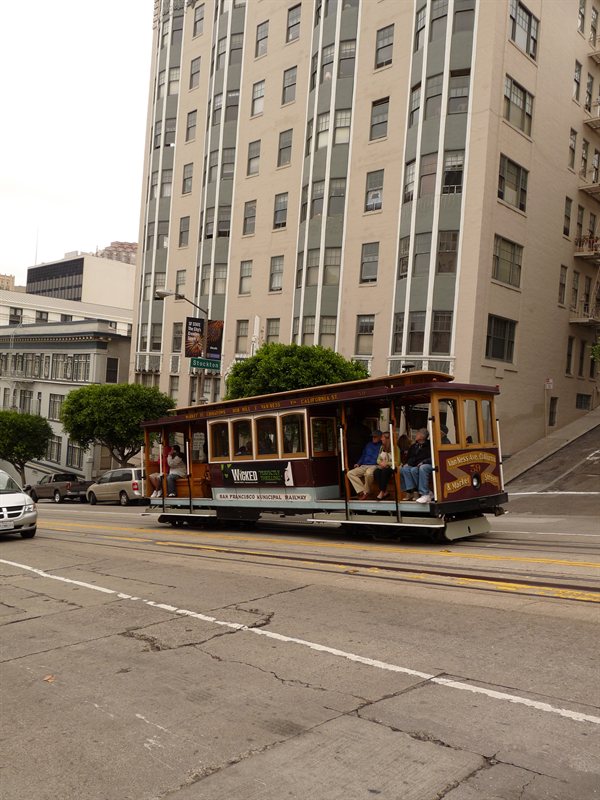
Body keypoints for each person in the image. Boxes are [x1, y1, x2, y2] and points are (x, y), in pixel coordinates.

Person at [400, 428, 433, 503]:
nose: (416, 435)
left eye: (417, 434)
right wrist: (408, 463)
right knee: (403, 469)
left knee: (414, 470)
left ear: (422, 436)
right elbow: (410, 457)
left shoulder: (430, 445)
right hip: (415, 465)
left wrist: (423, 462)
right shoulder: (414, 446)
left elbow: (433, 457)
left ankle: (419, 491)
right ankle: (410, 491)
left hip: (426, 464)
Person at [347, 429, 382, 499]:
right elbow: (363, 455)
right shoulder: (368, 445)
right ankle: (362, 491)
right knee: (350, 473)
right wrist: (358, 463)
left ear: (380, 437)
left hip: (375, 465)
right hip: (364, 465)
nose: (373, 438)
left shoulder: (382, 446)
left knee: (368, 473)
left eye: (375, 437)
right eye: (373, 437)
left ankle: (366, 492)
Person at [373, 432, 400, 500]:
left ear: (387, 439)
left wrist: (387, 463)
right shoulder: (382, 448)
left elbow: (398, 462)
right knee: (376, 471)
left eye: (382, 437)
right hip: (384, 466)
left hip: (393, 467)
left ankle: (382, 491)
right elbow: (378, 459)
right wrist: (381, 463)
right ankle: (385, 491)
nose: (381, 439)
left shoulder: (396, 448)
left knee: (385, 471)